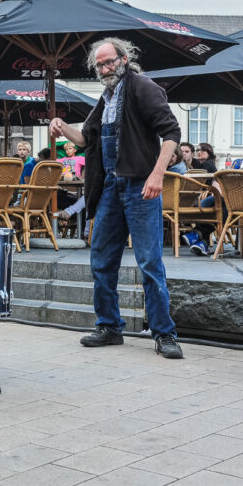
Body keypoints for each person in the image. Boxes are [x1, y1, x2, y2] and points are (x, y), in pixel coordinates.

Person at [50, 37, 183, 359]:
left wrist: (156, 175)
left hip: (139, 185)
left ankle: (164, 333)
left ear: (124, 58)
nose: (106, 68)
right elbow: (85, 139)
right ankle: (109, 326)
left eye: (110, 61)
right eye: (100, 64)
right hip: (110, 186)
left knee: (149, 261)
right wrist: (62, 126)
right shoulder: (106, 98)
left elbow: (172, 134)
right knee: (101, 260)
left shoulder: (142, 87)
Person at [181, 130, 243, 256]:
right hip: (231, 198)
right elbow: (224, 179)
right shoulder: (237, 162)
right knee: (212, 203)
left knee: (220, 205)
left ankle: (198, 234)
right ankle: (203, 242)